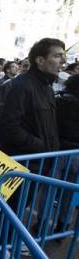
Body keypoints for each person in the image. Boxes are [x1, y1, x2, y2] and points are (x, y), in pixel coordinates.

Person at [0, 38, 65, 226]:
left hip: (40, 162)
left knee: (19, 209)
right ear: (40, 60)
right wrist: (41, 146)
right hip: (24, 163)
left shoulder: (47, 87)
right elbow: (9, 126)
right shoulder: (21, 86)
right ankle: (1, 247)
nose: (62, 61)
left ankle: (6, 243)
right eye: (57, 55)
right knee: (11, 210)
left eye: (63, 56)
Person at [54, 74, 79, 233]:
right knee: (70, 192)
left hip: (58, 150)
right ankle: (63, 227)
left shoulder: (60, 101)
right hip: (76, 153)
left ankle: (42, 223)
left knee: (49, 189)